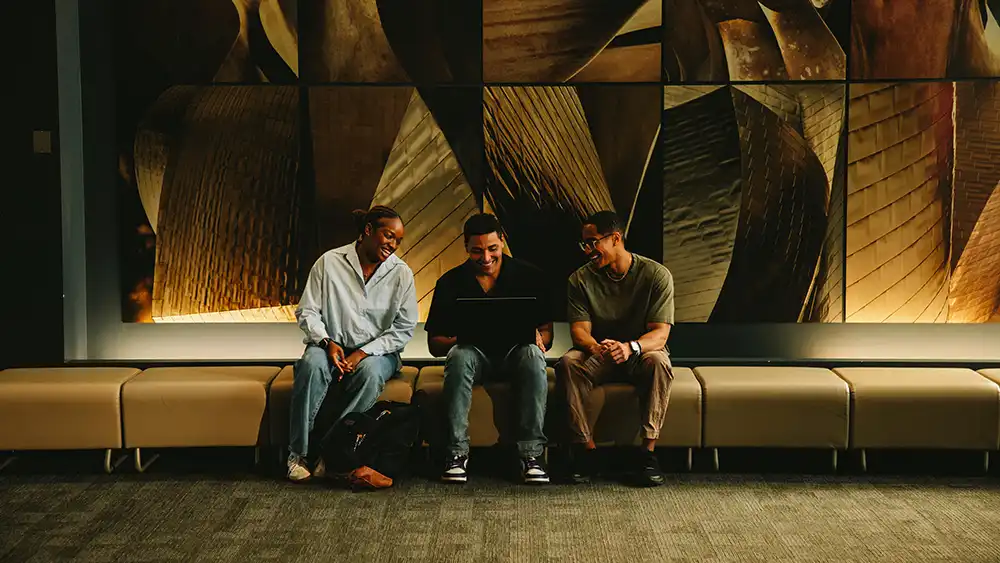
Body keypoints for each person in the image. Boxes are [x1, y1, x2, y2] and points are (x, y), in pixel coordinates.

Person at [286, 205, 418, 482]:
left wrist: (363, 352)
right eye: (388, 236)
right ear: (367, 231)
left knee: (370, 373)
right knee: (311, 366)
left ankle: (332, 451)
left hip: (379, 353)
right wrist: (326, 341)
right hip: (329, 344)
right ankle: (298, 454)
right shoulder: (329, 262)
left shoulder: (402, 274)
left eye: (397, 240)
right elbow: (307, 311)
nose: (392, 245)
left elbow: (404, 329)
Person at [424, 213, 554, 485]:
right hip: (474, 358)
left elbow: (547, 335)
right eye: (477, 251)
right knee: (459, 355)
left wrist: (538, 338)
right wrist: (463, 336)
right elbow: (435, 345)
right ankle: (457, 454)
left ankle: (531, 456)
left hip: (515, 356)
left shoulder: (529, 276)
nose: (485, 258)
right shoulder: (450, 283)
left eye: (492, 249)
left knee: (532, 353)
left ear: (502, 241)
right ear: (465, 247)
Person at [556, 210, 675, 487]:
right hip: (601, 352)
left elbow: (660, 334)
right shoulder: (579, 279)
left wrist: (630, 347)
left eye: (593, 242)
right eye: (584, 244)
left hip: (641, 352)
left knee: (659, 362)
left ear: (616, 238)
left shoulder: (657, 275)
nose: (588, 250)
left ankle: (647, 454)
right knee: (568, 363)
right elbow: (578, 331)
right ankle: (587, 451)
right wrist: (597, 347)